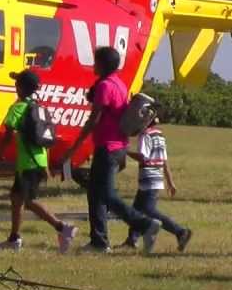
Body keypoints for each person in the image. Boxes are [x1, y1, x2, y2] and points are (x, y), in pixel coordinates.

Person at [59, 46, 163, 254]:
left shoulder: (105, 86)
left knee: (107, 195)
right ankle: (99, 242)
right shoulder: (119, 84)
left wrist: (73, 149)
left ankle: (145, 225)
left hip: (108, 147)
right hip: (117, 146)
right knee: (95, 195)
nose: (93, 65)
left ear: (102, 64)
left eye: (95, 61)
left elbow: (94, 120)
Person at [0, 69, 77, 253]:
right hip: (37, 161)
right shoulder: (39, 107)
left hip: (27, 163)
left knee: (28, 201)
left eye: (17, 84)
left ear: (21, 88)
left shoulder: (18, 107)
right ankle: (14, 238)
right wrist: (46, 165)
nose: (15, 86)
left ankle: (63, 228)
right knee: (17, 198)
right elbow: (45, 140)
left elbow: (9, 131)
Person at [123, 114, 192, 252]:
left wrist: (125, 151)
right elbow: (164, 160)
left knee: (149, 210)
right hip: (157, 177)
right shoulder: (159, 135)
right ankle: (132, 239)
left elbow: (143, 157)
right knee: (136, 210)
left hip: (148, 177)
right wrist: (170, 181)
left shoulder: (145, 135)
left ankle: (180, 231)